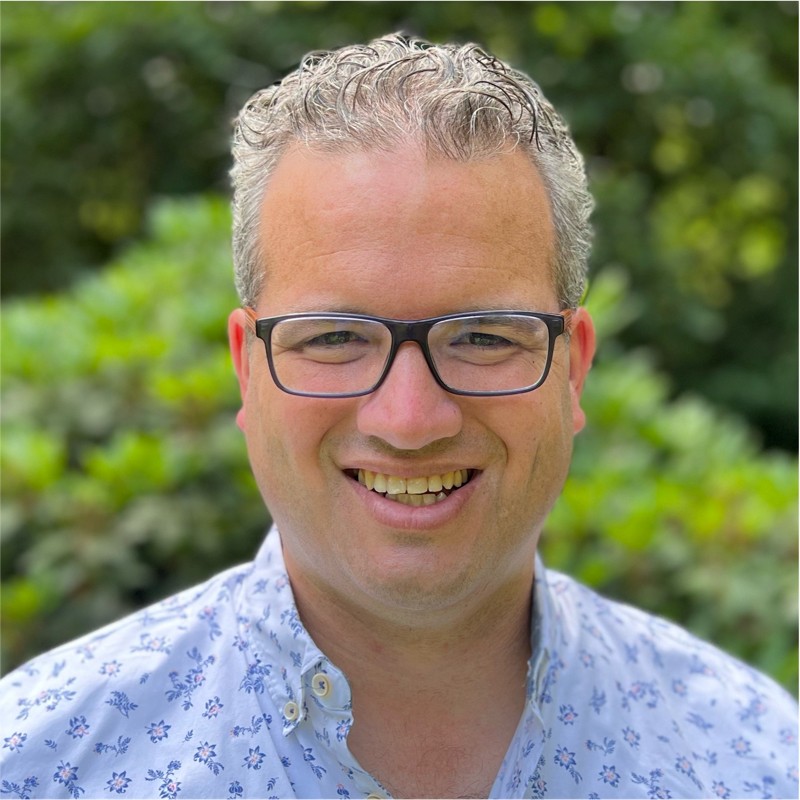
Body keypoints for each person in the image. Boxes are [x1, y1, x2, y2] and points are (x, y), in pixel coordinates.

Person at [1, 33, 796, 800]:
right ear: (248, 369)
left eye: (482, 336)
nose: (410, 420)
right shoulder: (35, 768)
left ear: (573, 368)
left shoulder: (761, 763)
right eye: (335, 338)